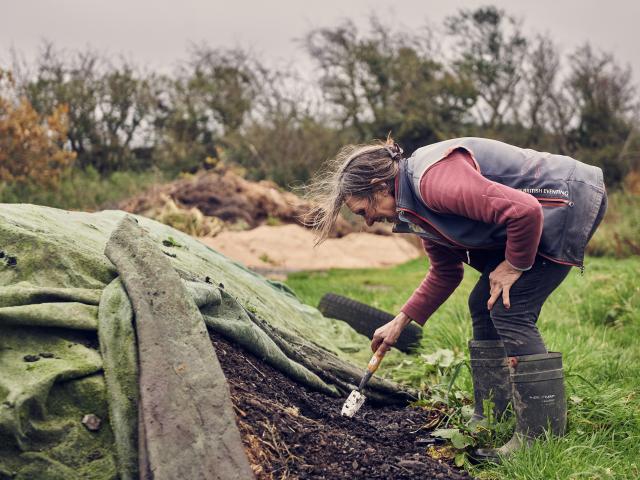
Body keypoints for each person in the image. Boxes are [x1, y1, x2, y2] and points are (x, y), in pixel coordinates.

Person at [306, 136, 607, 460]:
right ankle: (492, 413)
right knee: (482, 303)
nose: (367, 220)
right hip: (543, 211)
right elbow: (444, 273)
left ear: (380, 186)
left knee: (511, 308)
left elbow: (525, 211)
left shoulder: (433, 182)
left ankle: (540, 440)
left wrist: (513, 265)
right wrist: (399, 322)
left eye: (364, 210)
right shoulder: (415, 209)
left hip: (565, 201)